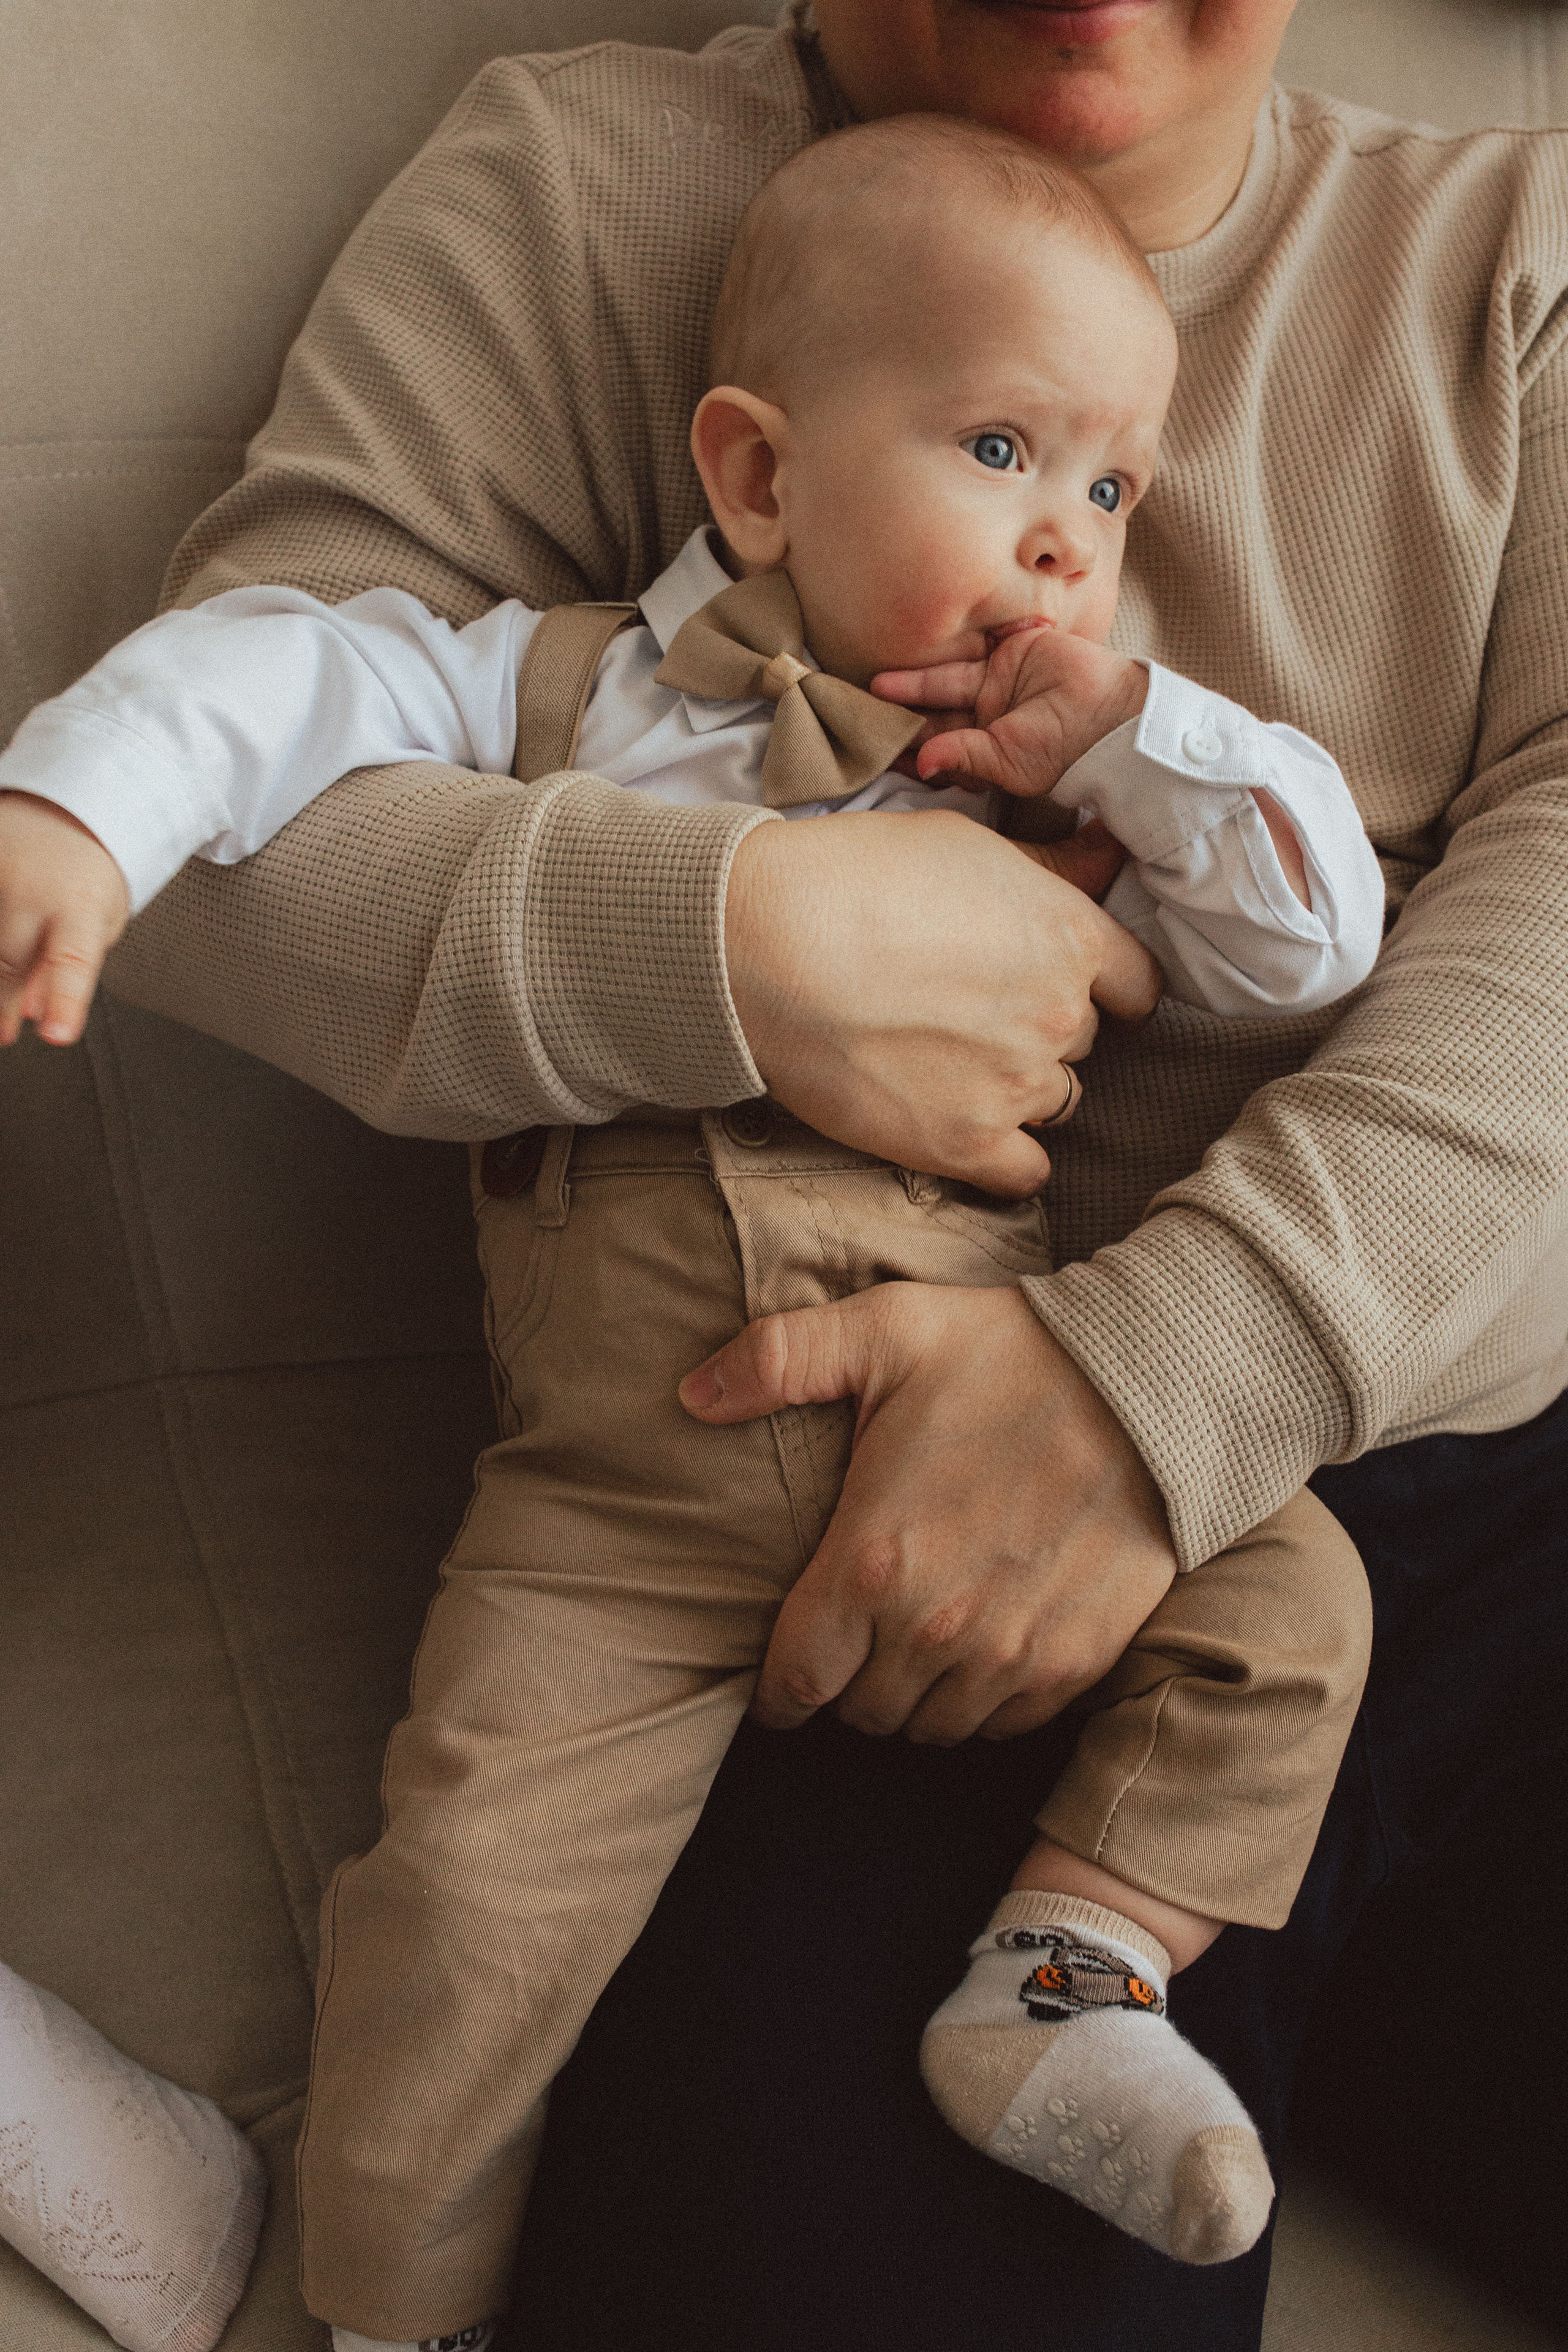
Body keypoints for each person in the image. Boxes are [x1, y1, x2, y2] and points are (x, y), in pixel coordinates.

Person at [2, 1, 1566, 2345]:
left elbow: (1385, 923)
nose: (1065, 536)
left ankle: (1086, 1968)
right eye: (1002, 449)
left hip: (1433, 1459)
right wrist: (742, 937)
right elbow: (246, 754)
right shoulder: (587, 187)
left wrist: (1157, 1379)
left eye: (1104, 487)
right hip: (810, 1536)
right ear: (748, 468)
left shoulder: (1513, 259)